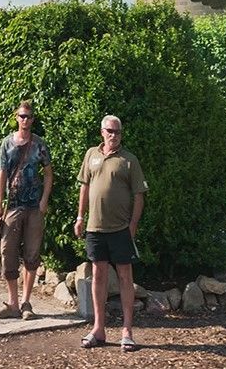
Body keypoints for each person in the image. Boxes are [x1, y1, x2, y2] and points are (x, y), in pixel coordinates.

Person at [76, 114, 147, 352]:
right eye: (109, 131)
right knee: (98, 275)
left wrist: (133, 225)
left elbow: (139, 195)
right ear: (102, 132)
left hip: (120, 229)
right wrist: (80, 218)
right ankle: (99, 328)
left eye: (117, 132)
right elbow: (84, 187)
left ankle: (127, 330)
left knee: (126, 276)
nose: (113, 135)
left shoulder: (129, 160)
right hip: (95, 228)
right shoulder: (91, 155)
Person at [0, 99, 53, 320]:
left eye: (28, 116)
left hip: (34, 207)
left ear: (33, 120)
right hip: (13, 205)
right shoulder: (7, 144)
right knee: (8, 252)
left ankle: (26, 302)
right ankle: (13, 303)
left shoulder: (40, 145)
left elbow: (48, 173)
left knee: (32, 254)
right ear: (16, 118)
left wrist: (44, 199)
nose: (25, 120)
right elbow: (1, 176)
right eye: (21, 116)